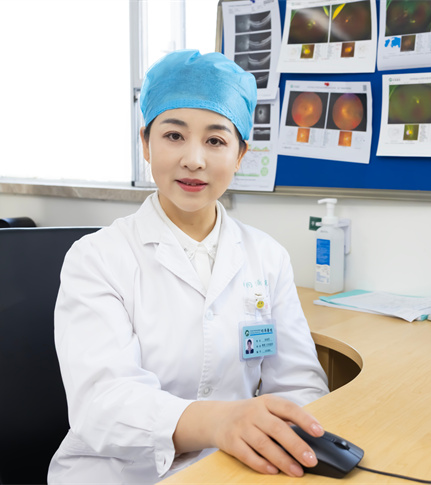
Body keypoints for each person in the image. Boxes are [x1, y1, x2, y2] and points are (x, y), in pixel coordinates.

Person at [48, 50, 329, 483]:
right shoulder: (96, 258)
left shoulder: (267, 257)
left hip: (235, 469)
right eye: (174, 136)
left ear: (240, 154)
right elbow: (102, 403)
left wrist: (296, 442)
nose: (194, 159)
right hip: (120, 473)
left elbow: (299, 386)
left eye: (216, 141)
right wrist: (218, 423)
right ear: (146, 143)